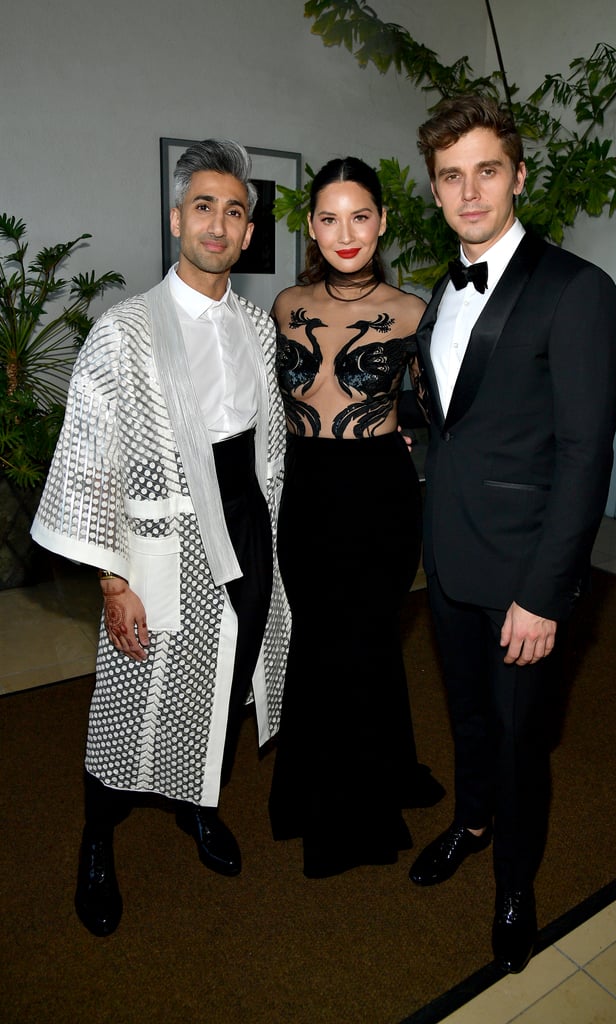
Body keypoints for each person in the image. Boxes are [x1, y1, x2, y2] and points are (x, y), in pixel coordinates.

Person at [31, 139, 290, 936]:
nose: (219, 224)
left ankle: (196, 803)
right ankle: (98, 836)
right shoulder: (123, 332)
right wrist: (114, 582)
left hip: (246, 524)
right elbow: (88, 459)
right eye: (204, 206)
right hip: (158, 541)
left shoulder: (256, 324)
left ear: (249, 235)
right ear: (177, 218)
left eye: (235, 211)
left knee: (227, 681)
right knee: (131, 697)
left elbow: (268, 446)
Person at [409, 96, 616, 973]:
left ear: (518, 176)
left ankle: (515, 882)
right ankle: (470, 819)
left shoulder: (577, 289)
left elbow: (584, 453)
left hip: (525, 574)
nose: (469, 191)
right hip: (449, 559)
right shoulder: (438, 288)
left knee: (520, 737)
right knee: (466, 717)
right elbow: (451, 421)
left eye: (486, 171)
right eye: (451, 176)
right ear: (435, 189)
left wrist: (545, 592)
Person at [267, 156, 444, 878]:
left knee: (366, 641)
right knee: (318, 640)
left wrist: (395, 419)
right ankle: (319, 785)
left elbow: (440, 405)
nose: (346, 232)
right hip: (307, 494)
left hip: (380, 497)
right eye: (330, 217)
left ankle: (355, 813)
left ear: (382, 223)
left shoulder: (412, 311)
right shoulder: (285, 305)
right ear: (311, 225)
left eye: (361, 216)